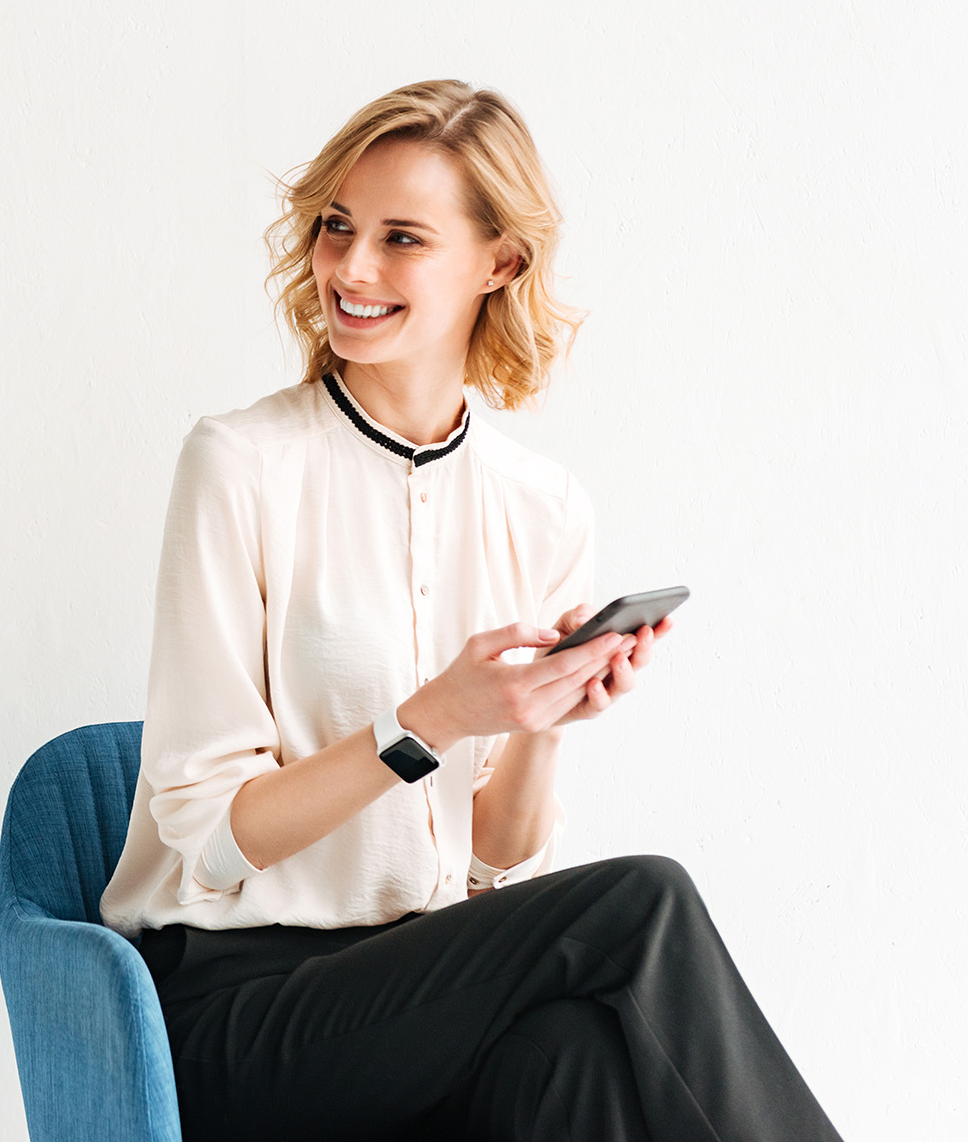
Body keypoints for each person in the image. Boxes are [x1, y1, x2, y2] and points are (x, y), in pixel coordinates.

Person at [97, 80, 843, 1140]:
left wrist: (536, 726)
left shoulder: (540, 509)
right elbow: (212, 841)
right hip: (235, 1018)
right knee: (641, 901)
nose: (350, 268)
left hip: (422, 996)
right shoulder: (240, 467)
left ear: (497, 263)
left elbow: (496, 867)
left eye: (400, 239)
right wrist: (429, 721)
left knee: (571, 1054)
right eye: (336, 227)